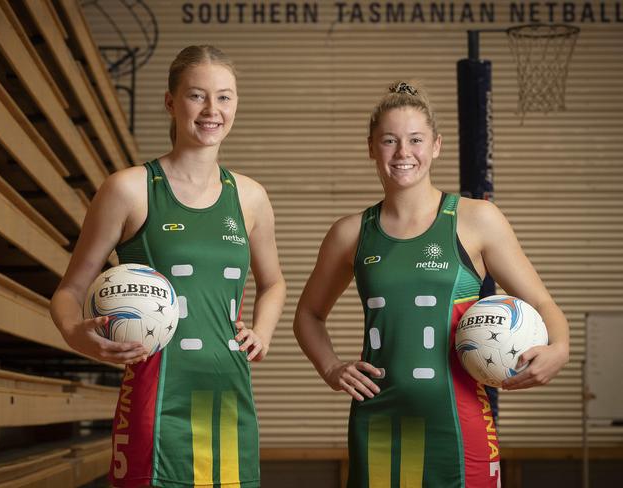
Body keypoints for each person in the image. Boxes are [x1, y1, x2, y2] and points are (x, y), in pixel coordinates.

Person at [293, 81, 569, 487]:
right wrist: (332, 367)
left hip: (458, 420)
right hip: (379, 418)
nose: (403, 153)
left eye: (416, 140)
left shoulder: (477, 219)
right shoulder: (350, 233)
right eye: (389, 140)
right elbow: (308, 315)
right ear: (371, 147)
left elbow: (542, 304)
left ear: (436, 146)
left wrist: (559, 349)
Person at [50, 45, 285, 488]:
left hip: (229, 394)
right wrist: (73, 331)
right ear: (170, 101)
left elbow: (273, 283)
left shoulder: (250, 196)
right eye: (197, 95)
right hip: (155, 395)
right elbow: (69, 290)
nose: (212, 110)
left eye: (225, 97)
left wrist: (263, 331)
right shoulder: (128, 189)